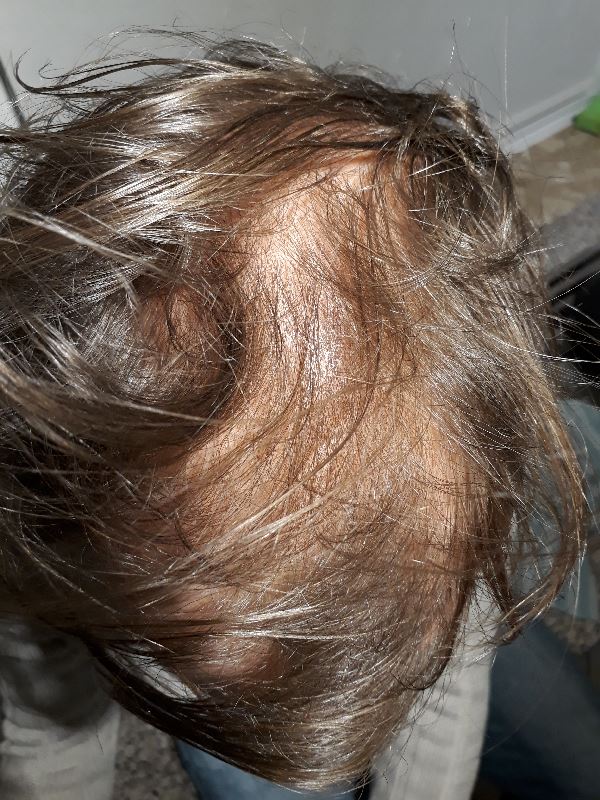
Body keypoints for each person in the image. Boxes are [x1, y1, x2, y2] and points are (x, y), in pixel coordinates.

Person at [0, 33, 586, 799]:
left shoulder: (444, 491)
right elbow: (45, 730)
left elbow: (449, 686)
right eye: (190, 646)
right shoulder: (38, 510)